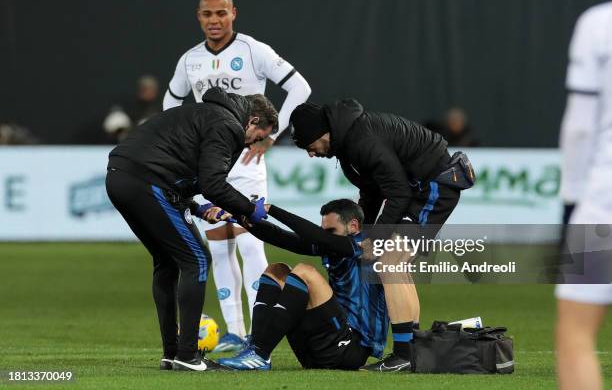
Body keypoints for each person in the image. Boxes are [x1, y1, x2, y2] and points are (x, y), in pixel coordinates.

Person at [162, 0, 311, 351]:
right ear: (199, 17)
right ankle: (234, 331)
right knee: (218, 247)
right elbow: (171, 99)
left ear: (233, 14)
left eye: (221, 13)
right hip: (210, 163)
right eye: (207, 14)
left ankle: (258, 335)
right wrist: (183, 141)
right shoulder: (190, 60)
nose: (215, 21)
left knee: (250, 244)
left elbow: (300, 88)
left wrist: (272, 133)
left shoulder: (252, 51)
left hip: (245, 164)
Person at [290, 100, 474, 371]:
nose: (310, 153)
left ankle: (404, 355)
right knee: (393, 264)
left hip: (433, 187)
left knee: (388, 263)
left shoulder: (360, 141)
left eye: (308, 145)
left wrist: (375, 239)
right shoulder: (347, 142)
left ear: (320, 133)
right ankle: (411, 351)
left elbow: (398, 192)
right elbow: (372, 192)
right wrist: (362, 234)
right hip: (421, 189)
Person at [105, 86, 278, 371]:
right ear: (254, 121)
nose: (251, 145)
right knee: (197, 259)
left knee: (167, 262)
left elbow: (176, 167)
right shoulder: (229, 125)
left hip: (120, 177)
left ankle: (171, 354)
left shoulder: (206, 113)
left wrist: (197, 208)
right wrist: (248, 209)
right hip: (147, 181)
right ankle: (188, 356)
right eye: (256, 138)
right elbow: (213, 184)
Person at [202, 199, 389, 371]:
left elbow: (318, 238)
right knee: (276, 271)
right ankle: (256, 351)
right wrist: (241, 218)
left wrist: (271, 209)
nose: (324, 235)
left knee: (305, 272)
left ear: (354, 225)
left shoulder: (364, 243)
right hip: (314, 352)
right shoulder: (330, 243)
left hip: (351, 350)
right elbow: (281, 237)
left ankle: (260, 354)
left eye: (330, 230)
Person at [556, 1, 612, 390]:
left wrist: (572, 200)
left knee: (576, 333)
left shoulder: (599, 23)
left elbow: (579, 127)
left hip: (605, 197)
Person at [103, 75, 162, 143]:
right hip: (124, 141)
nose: (148, 92)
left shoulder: (159, 107)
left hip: (149, 143)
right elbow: (116, 124)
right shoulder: (128, 105)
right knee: (117, 119)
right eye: (144, 89)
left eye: (151, 89)